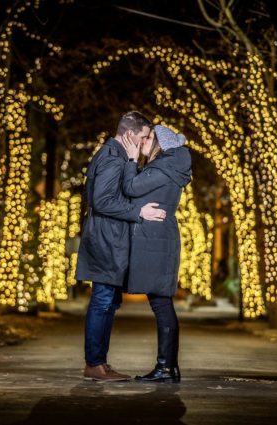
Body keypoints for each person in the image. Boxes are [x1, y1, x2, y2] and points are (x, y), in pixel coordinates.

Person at [75, 111, 167, 382]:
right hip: (107, 238)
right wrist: (139, 211)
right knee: (103, 301)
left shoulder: (112, 155)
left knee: (108, 301)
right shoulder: (113, 158)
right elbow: (102, 201)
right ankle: (95, 364)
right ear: (130, 135)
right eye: (143, 137)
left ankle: (100, 364)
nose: (145, 143)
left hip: (106, 235)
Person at [121, 124, 192, 383]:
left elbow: (131, 188)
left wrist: (131, 159)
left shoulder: (164, 167)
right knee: (161, 303)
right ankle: (168, 367)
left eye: (148, 138)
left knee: (161, 304)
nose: (143, 142)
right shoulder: (167, 166)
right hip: (159, 240)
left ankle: (166, 368)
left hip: (157, 242)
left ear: (161, 143)